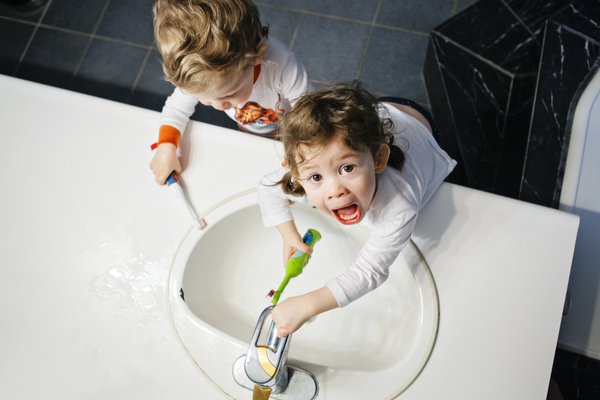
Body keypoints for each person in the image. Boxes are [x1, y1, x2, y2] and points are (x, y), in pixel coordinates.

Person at [257, 81, 457, 337]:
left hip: (417, 123)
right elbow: (267, 188)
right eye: (317, 178)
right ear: (298, 174)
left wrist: (308, 304)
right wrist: (288, 234)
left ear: (378, 160)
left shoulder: (398, 206)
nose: (334, 190)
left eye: (347, 169)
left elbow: (370, 270)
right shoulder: (313, 159)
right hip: (379, 112)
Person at [149, 0, 313, 185]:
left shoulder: (283, 64)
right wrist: (166, 147)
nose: (219, 106)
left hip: (294, 130)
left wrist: (299, 156)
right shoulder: (198, 76)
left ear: (257, 56)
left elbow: (309, 114)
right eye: (206, 98)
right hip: (250, 132)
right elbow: (176, 109)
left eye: (230, 94)